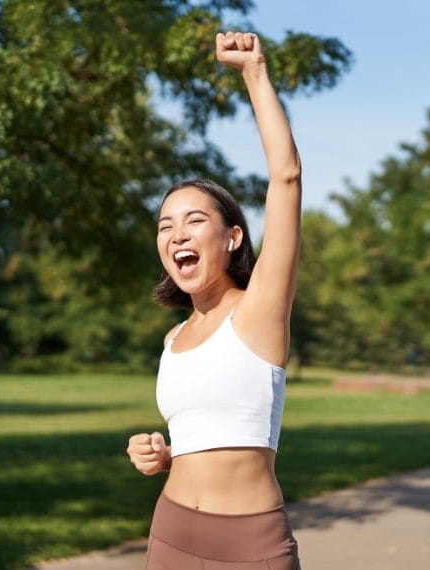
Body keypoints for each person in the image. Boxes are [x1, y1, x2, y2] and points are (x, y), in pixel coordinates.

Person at [126, 30, 302, 569]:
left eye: (195, 220)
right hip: (173, 531)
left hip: (250, 546)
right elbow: (210, 436)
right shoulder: (173, 338)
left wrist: (254, 73)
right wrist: (159, 455)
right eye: (165, 225)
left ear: (231, 237)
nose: (177, 234)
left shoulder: (259, 312)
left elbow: (286, 178)